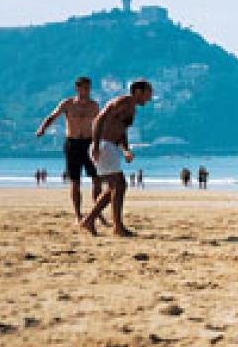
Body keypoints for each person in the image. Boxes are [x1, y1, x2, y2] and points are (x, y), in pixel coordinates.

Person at [80, 80, 152, 237]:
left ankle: (89, 220)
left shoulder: (131, 108)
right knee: (119, 185)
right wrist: (97, 145)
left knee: (115, 187)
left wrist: (126, 150)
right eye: (148, 93)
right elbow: (98, 119)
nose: (150, 98)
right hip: (104, 145)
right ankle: (116, 227)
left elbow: (121, 131)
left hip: (110, 146)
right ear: (138, 91)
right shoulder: (123, 101)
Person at [35, 77, 106, 224]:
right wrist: (42, 129)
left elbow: (100, 125)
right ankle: (78, 214)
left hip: (89, 143)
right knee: (75, 181)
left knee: (96, 179)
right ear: (77, 88)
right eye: (84, 88)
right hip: (72, 143)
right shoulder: (67, 104)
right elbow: (52, 117)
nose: (87, 91)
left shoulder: (94, 106)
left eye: (89, 88)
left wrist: (101, 143)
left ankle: (96, 213)